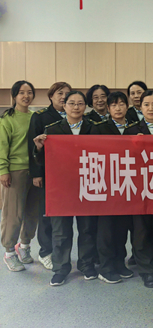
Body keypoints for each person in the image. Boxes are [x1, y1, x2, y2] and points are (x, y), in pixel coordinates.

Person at [32, 91, 97, 286]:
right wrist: (39, 148)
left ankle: (86, 265)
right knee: (60, 231)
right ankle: (60, 268)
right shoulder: (52, 129)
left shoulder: (94, 128)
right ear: (65, 106)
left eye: (80, 103)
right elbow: (43, 161)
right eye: (71, 103)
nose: (76, 107)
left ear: (85, 106)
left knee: (87, 228)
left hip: (87, 185)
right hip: (61, 187)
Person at [124, 90, 153, 288]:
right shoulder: (131, 130)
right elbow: (123, 158)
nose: (150, 108)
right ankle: (146, 270)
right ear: (140, 107)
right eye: (146, 104)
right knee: (141, 230)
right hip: (139, 187)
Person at [90, 91, 135, 284]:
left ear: (127, 106)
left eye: (121, 104)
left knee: (122, 227)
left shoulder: (134, 128)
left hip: (127, 184)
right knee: (106, 228)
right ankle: (106, 267)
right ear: (108, 108)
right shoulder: (99, 128)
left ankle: (119, 262)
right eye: (114, 105)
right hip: (106, 185)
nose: (118, 108)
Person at [27, 81, 72, 272]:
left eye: (67, 94)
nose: (63, 97)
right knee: (46, 213)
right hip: (47, 172)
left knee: (64, 216)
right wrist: (36, 174)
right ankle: (45, 251)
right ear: (51, 96)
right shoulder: (40, 116)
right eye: (59, 93)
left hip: (69, 174)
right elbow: (32, 146)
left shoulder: (74, 116)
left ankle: (60, 253)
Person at [1, 81, 38, 272]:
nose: (26, 96)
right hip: (15, 172)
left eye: (29, 92)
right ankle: (9, 252)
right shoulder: (7, 119)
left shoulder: (35, 117)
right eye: (22, 92)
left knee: (32, 212)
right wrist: (3, 170)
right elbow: (2, 146)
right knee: (13, 214)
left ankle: (24, 246)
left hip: (35, 172)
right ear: (14, 96)